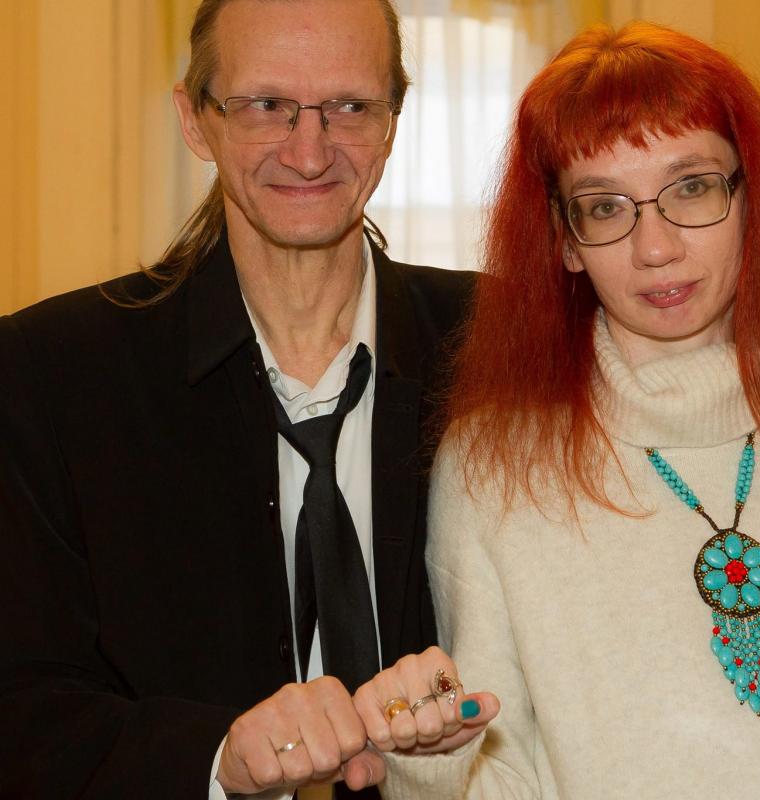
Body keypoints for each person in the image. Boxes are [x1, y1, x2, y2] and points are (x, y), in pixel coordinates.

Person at [349, 21, 760, 798]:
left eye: (692, 187)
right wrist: (431, 763)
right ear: (565, 242)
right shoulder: (494, 469)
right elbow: (503, 774)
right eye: (606, 207)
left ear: (752, 197)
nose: (656, 248)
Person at [0, 0, 473, 797]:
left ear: (393, 122)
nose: (309, 151)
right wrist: (219, 759)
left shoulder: (501, 347)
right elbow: (22, 706)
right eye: (266, 105)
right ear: (195, 120)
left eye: (349, 106)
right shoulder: (47, 374)